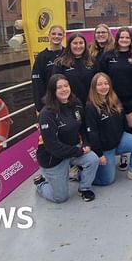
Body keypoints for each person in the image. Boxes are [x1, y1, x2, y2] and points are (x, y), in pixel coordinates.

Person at [34, 74, 99, 203]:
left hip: (72, 150)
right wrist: (79, 152)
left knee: (93, 159)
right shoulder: (47, 114)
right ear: (53, 91)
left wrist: (85, 143)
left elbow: (82, 127)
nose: (64, 89)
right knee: (60, 198)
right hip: (53, 158)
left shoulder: (76, 104)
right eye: (59, 87)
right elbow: (52, 146)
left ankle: (84, 188)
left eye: (66, 86)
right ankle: (41, 183)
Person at [83, 73, 132, 186]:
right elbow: (92, 133)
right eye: (99, 84)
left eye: (106, 83)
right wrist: (99, 155)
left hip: (119, 140)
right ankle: (81, 174)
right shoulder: (90, 107)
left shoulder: (114, 100)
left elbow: (123, 120)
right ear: (94, 87)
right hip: (105, 147)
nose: (104, 87)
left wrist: (130, 135)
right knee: (107, 180)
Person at [98, 27, 132, 170]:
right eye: (121, 37)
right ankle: (123, 156)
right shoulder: (108, 56)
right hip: (113, 101)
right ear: (117, 39)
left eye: (127, 38)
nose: (124, 40)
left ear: (131, 40)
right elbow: (101, 77)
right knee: (118, 129)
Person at [52, 33, 98, 105]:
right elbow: (55, 85)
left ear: (85, 45)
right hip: (70, 105)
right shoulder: (60, 63)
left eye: (81, 43)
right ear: (69, 45)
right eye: (75, 43)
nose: (78, 46)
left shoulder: (93, 62)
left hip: (90, 103)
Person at [30, 25, 65, 112]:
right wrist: (40, 105)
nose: (56, 36)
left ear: (63, 36)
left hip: (66, 98)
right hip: (50, 100)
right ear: (49, 35)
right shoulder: (41, 57)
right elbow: (37, 83)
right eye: (53, 34)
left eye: (59, 34)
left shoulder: (67, 54)